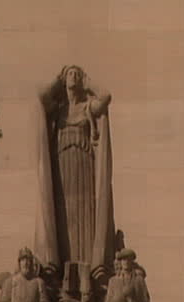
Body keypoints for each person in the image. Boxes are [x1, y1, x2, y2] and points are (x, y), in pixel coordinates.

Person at [34, 65, 116, 289]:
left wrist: (89, 83)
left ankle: (87, 276)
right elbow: (41, 97)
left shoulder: (88, 107)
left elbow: (106, 96)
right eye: (70, 73)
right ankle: (61, 274)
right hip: (62, 170)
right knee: (63, 216)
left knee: (85, 216)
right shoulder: (57, 110)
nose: (74, 76)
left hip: (84, 168)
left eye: (77, 74)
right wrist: (57, 79)